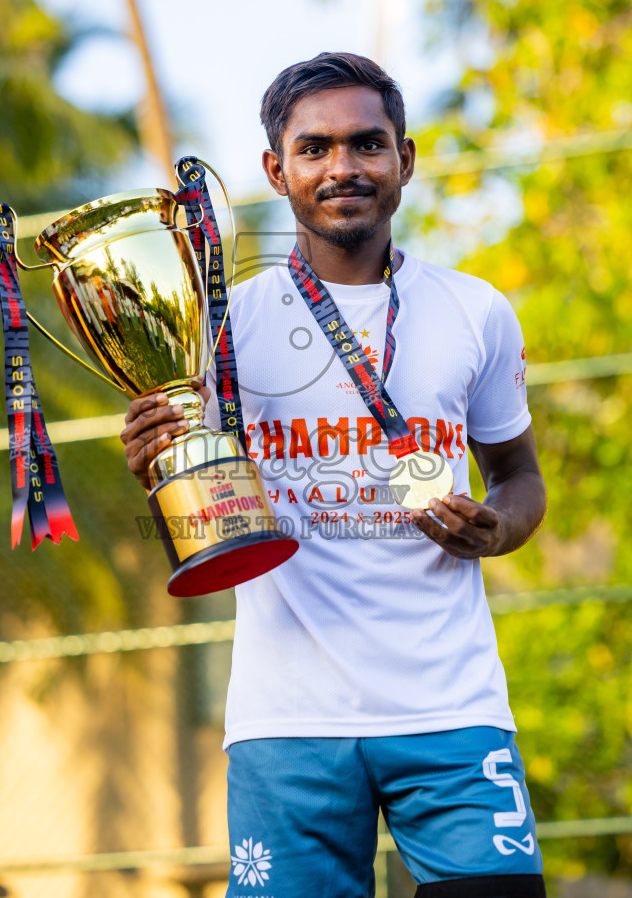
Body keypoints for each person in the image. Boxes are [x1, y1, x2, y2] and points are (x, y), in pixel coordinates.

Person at [121, 52, 548, 898]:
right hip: (288, 722)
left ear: (405, 160)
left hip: (452, 712)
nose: (343, 167)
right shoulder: (218, 325)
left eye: (366, 144)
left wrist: (498, 528)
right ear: (278, 170)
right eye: (314, 149)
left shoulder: (475, 309)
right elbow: (198, 509)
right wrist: (158, 466)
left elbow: (520, 476)